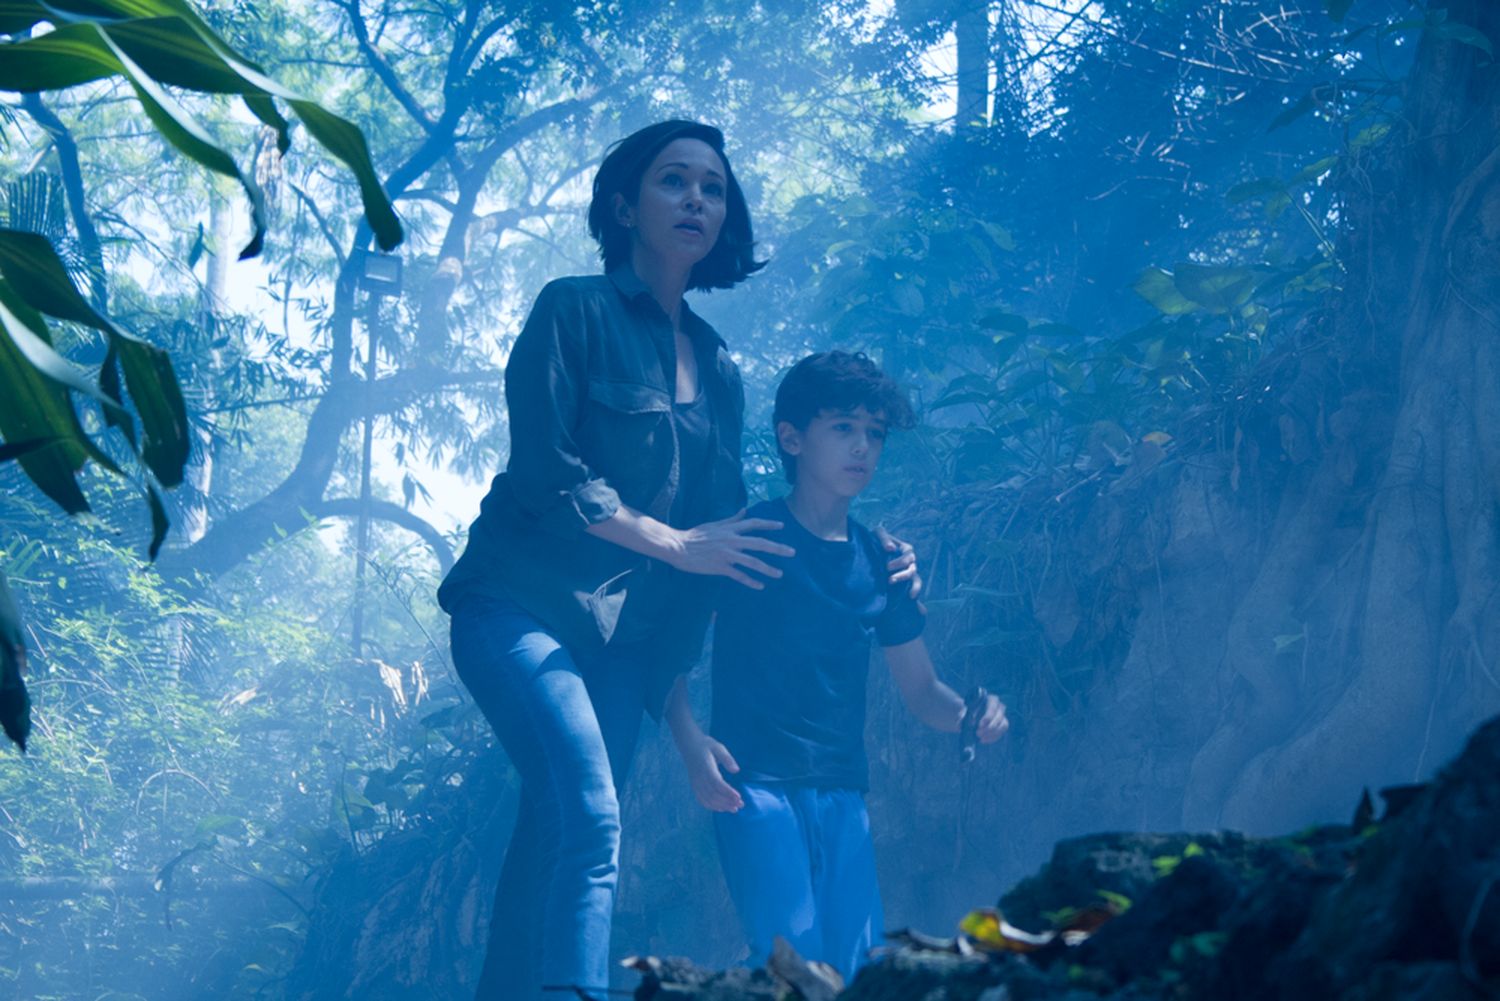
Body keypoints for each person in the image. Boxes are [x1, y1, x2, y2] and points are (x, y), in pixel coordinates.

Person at [436, 123, 917, 1000]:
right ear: (625, 206)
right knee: (591, 816)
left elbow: (725, 543)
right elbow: (548, 473)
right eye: (673, 181)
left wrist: (871, 553)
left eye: (713, 188)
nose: (697, 198)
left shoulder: (722, 370)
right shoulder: (572, 310)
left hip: (624, 645)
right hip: (517, 607)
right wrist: (676, 543)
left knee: (554, 831)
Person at [665, 350, 1010, 983]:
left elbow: (923, 691)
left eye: (875, 434)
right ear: (792, 438)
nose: (862, 448)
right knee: (792, 964)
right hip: (753, 785)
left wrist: (971, 715)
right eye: (843, 427)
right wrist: (691, 743)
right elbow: (667, 645)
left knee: (858, 971)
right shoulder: (746, 538)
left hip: (844, 792)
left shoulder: (881, 561)